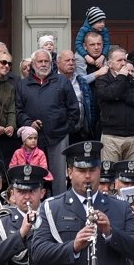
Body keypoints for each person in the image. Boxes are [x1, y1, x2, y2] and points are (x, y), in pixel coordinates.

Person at [19, 50, 80, 193]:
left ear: (51, 63)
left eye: (46, 61)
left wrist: (65, 129)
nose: (43, 64)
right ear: (33, 64)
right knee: (34, 176)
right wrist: (29, 124)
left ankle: (60, 208)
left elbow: (74, 109)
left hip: (59, 137)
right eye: (40, 62)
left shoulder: (62, 81)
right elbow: (18, 110)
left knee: (58, 178)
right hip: (32, 139)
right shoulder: (23, 85)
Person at [96, 47, 134, 163]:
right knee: (111, 175)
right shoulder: (102, 80)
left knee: (132, 176)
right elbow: (110, 93)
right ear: (110, 63)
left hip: (133, 136)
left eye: (124, 60)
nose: (123, 63)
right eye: (119, 60)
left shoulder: (131, 79)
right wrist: (121, 78)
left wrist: (120, 96)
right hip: (112, 137)